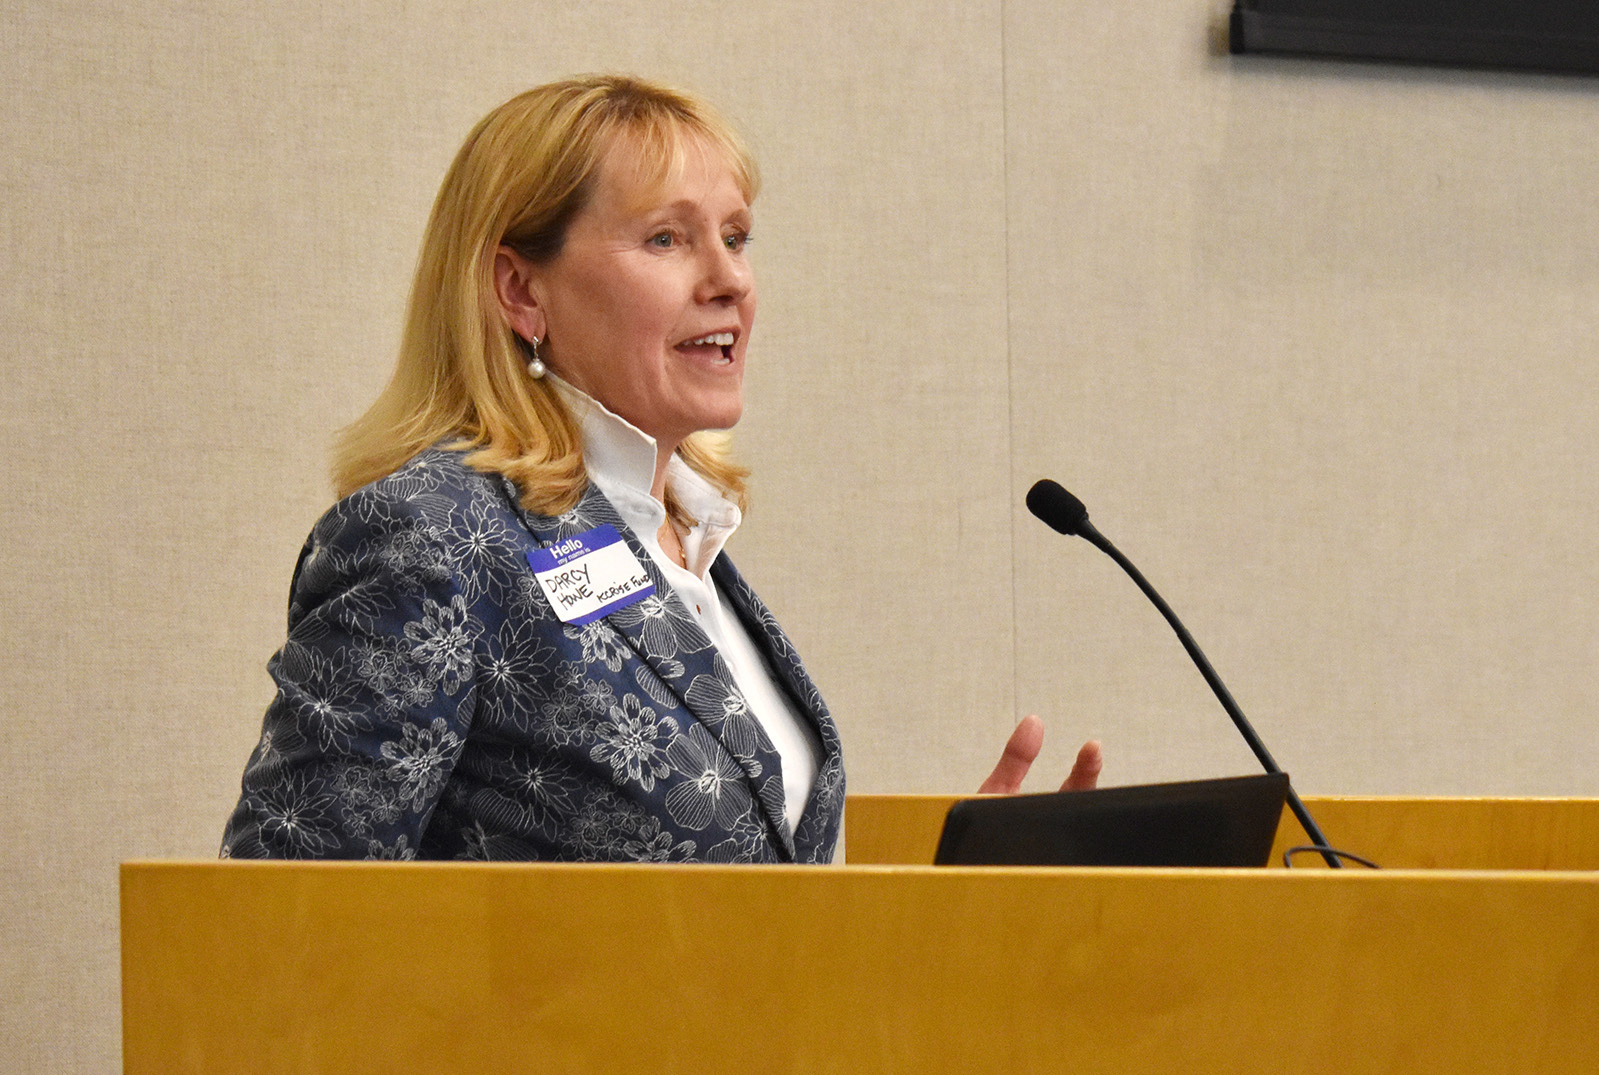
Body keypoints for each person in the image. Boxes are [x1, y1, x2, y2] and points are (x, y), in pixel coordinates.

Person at [223, 75, 1100, 864]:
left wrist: (951, 901)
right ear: (522, 291)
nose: (730, 280)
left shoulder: (681, 532)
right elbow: (284, 925)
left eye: (736, 237)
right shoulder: (432, 538)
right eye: (667, 239)